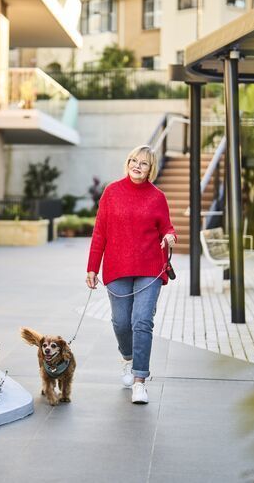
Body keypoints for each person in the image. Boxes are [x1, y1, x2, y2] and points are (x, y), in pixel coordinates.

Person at [86, 145, 176, 404]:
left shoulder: (157, 197)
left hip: (149, 267)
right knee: (121, 322)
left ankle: (140, 381)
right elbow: (100, 232)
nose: (137, 165)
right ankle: (128, 357)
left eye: (144, 163)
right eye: (133, 161)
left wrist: (170, 236)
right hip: (117, 267)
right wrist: (92, 267)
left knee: (142, 321)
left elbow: (166, 226)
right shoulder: (112, 192)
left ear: (151, 169)